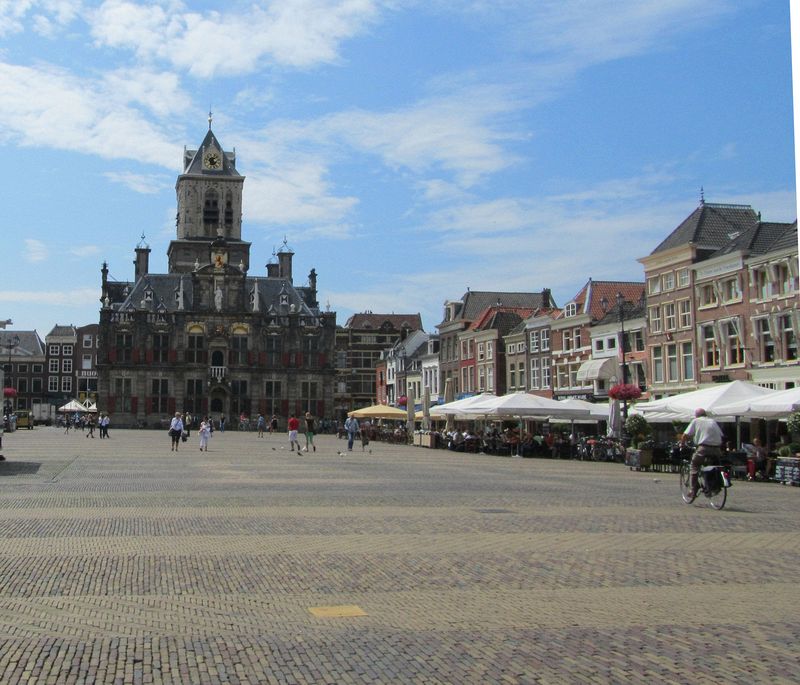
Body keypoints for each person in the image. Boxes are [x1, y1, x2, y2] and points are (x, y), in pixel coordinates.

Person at [681, 407, 724, 498]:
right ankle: (713, 486)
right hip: (717, 449)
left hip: (703, 448)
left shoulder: (696, 421)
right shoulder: (712, 421)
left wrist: (682, 444)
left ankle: (693, 489)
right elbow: (721, 435)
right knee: (713, 466)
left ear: (696, 415)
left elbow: (685, 435)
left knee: (694, 465)